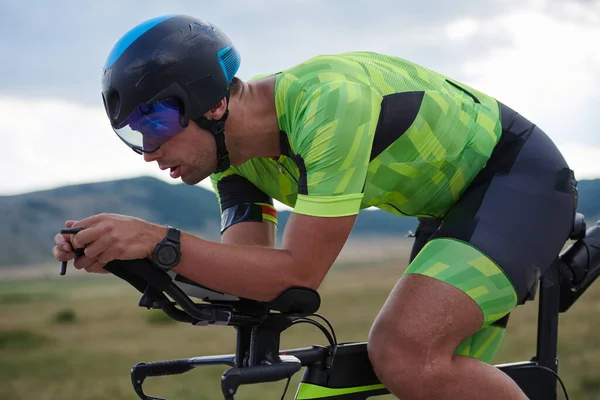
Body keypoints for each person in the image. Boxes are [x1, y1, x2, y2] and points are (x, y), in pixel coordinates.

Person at [52, 14, 578, 399]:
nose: (148, 151)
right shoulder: (233, 159)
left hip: (518, 180)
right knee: (435, 381)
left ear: (213, 104)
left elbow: (298, 274)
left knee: (401, 351)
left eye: (157, 124)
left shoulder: (328, 106)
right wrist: (134, 259)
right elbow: (247, 279)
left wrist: (157, 237)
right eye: (134, 135)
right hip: (450, 211)